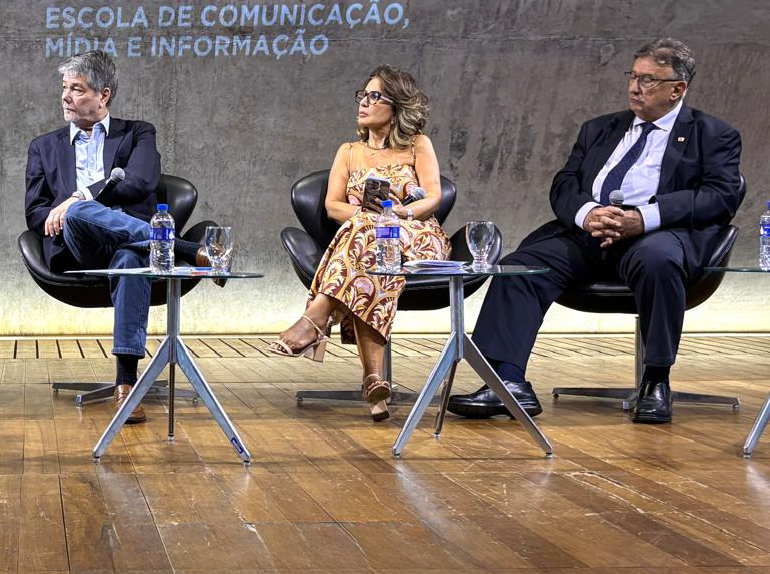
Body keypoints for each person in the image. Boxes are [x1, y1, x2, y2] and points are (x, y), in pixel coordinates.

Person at [447, 40, 744, 424]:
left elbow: (719, 197)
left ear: (678, 89)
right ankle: (506, 381)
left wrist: (644, 218)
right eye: (633, 76)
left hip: (655, 236)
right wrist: (587, 214)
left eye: (648, 80)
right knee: (520, 266)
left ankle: (655, 380)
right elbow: (564, 183)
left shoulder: (713, 134)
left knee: (658, 260)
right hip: (589, 236)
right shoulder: (600, 128)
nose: (635, 87)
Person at [25, 50, 211, 424]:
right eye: (64, 88)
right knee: (78, 212)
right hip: (80, 246)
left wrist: (80, 195)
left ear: (103, 95)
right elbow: (35, 212)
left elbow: (141, 182)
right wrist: (69, 208)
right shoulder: (44, 146)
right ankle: (185, 249)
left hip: (131, 244)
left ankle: (126, 382)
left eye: (77, 89)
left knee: (128, 258)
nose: (65, 97)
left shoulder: (138, 132)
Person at [269, 65, 448, 421]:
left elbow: (433, 197)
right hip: (371, 245)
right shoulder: (348, 151)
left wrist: (400, 214)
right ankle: (374, 383)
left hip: (417, 237)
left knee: (369, 239)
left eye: (374, 96)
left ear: (396, 106)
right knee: (369, 255)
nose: (364, 103)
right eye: (362, 95)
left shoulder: (418, 145)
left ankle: (316, 318)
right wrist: (371, 219)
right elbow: (333, 206)